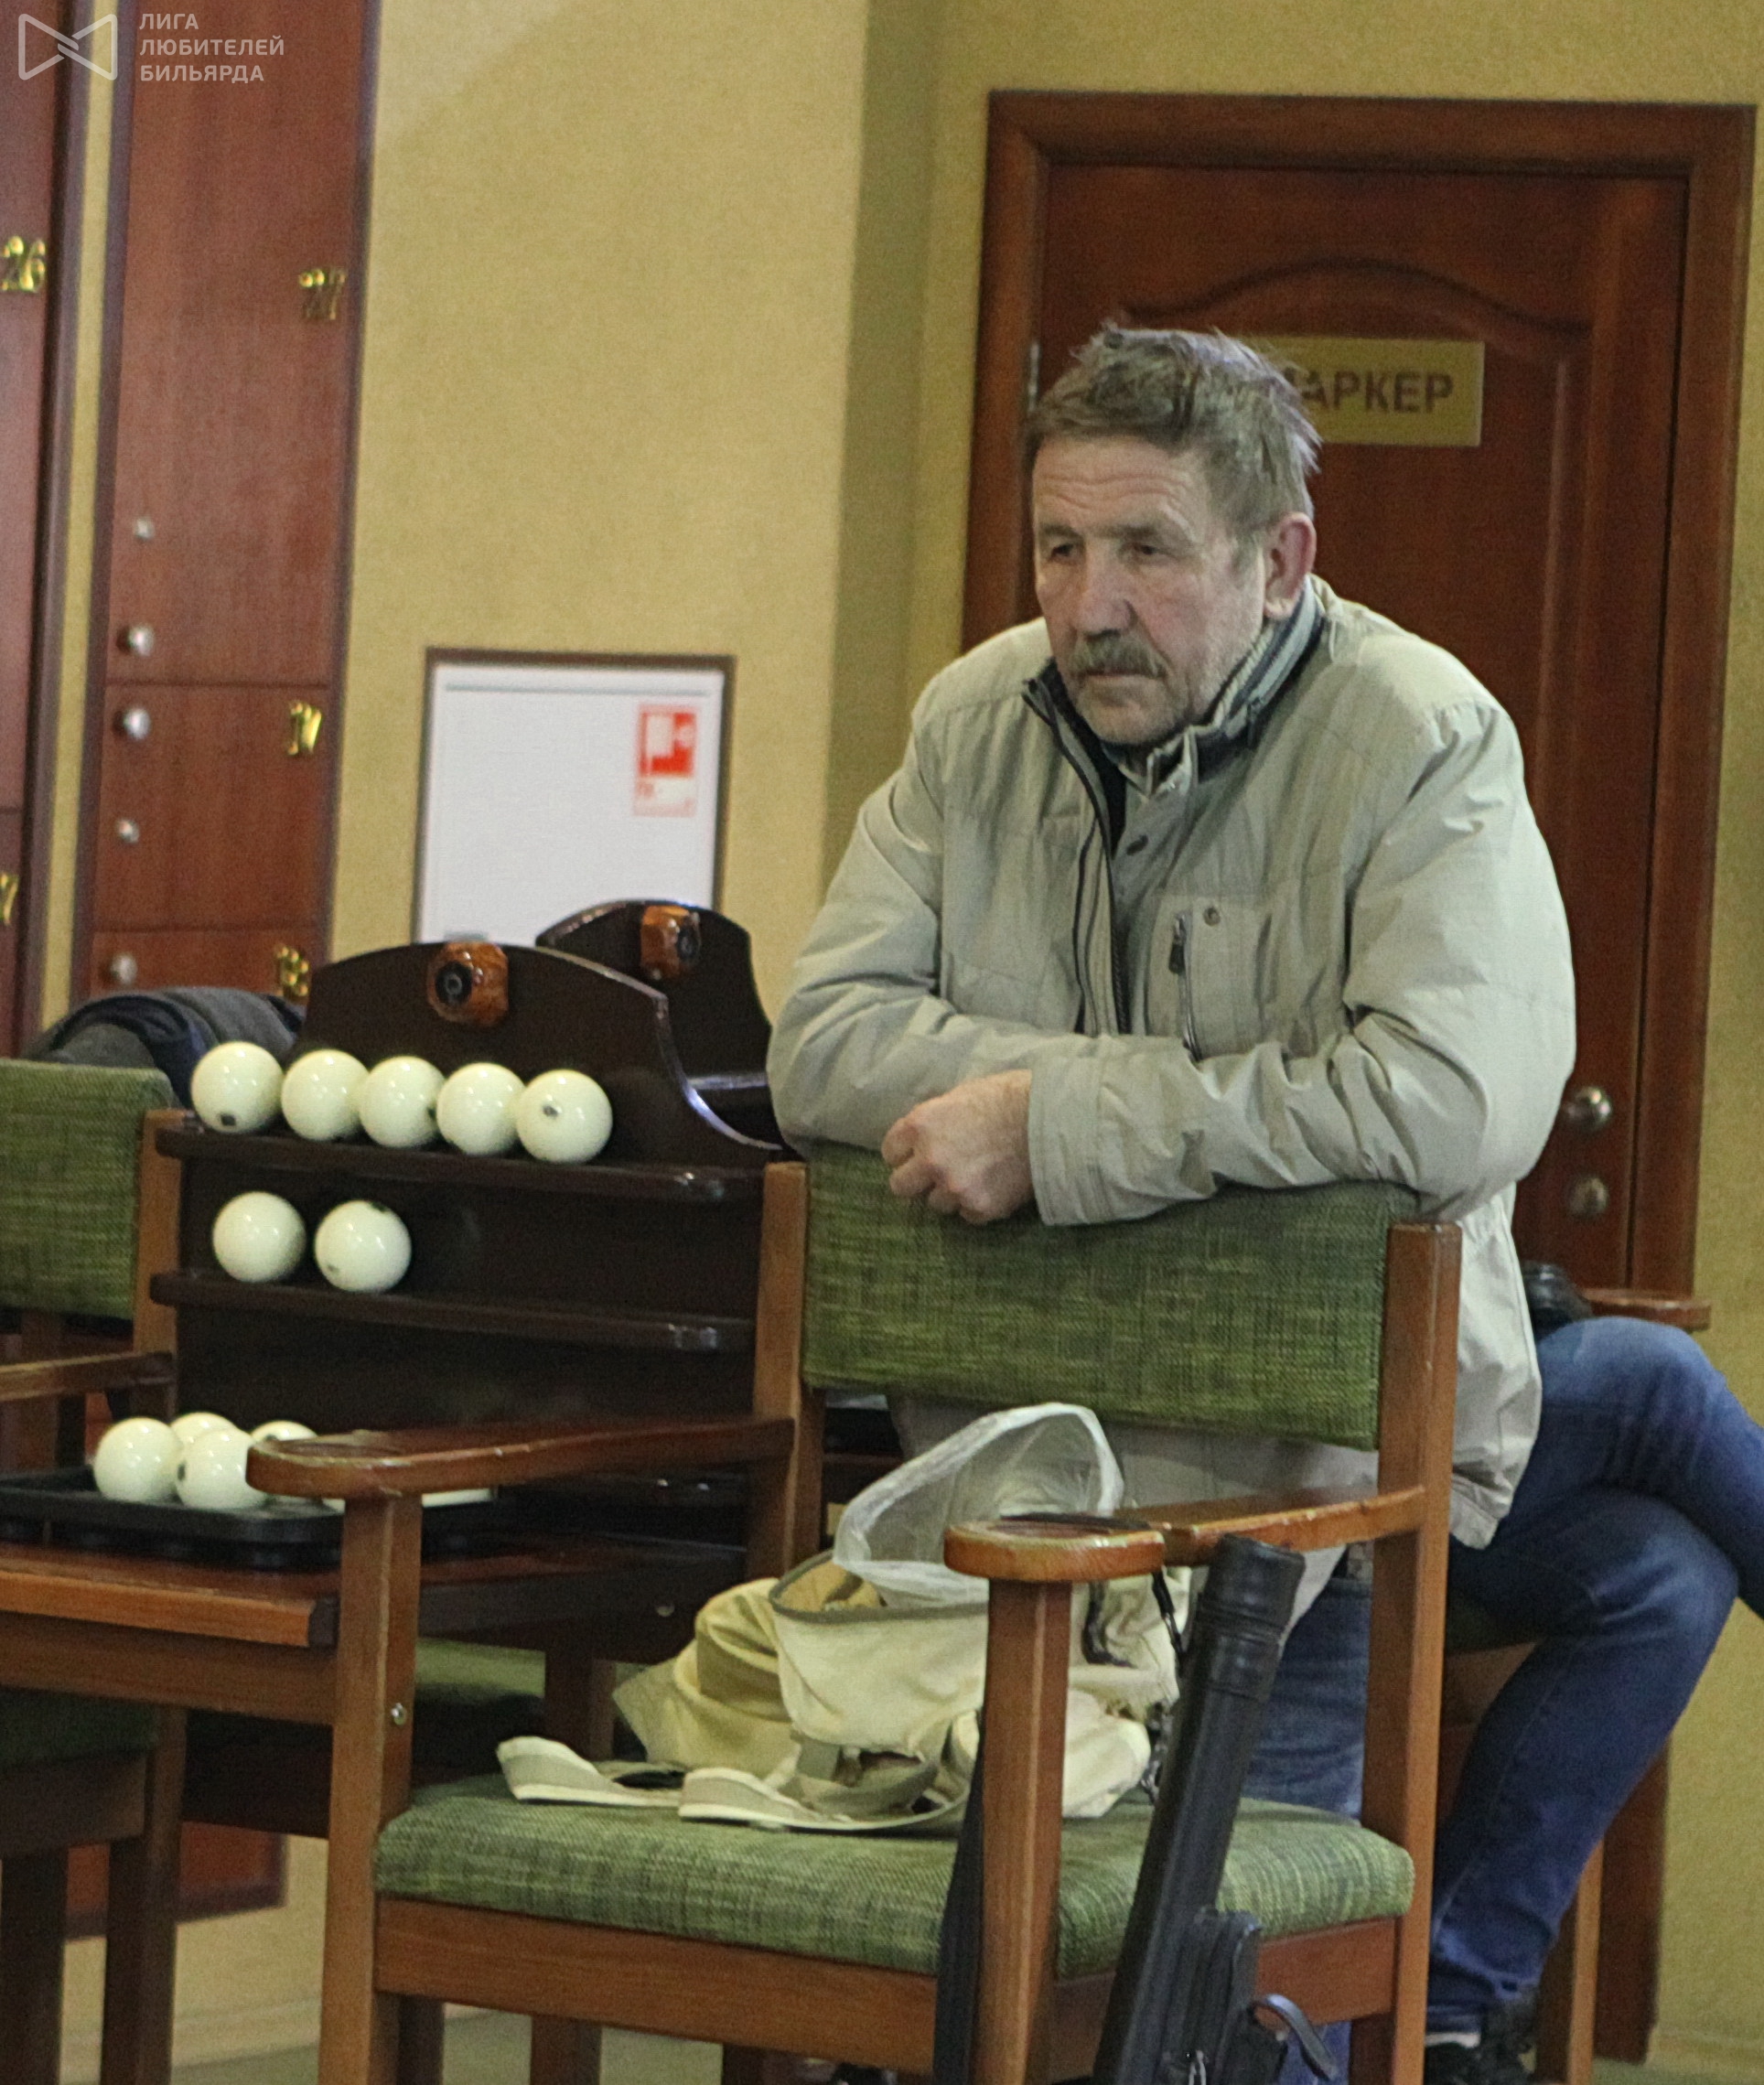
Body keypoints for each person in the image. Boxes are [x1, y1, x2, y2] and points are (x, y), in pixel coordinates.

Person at [767, 327, 1752, 2085]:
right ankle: (1450, 2006)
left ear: (1279, 558)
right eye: (1061, 547)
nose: (1090, 607)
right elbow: (823, 1045)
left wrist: (1054, 1123)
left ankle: (1433, 1998)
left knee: (1237, 1999)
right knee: (1657, 1558)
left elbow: (1454, 1103)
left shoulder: (1418, 733)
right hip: (1044, 1459)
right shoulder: (974, 718)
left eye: (1148, 550)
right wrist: (1213, 1106)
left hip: (1328, 1450)